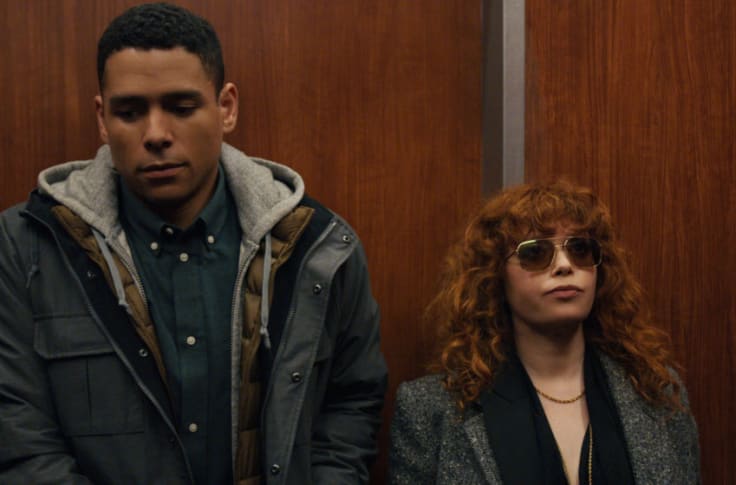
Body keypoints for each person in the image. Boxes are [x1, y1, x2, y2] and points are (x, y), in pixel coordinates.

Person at [0, 3, 386, 484]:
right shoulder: (28, 247)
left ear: (226, 108)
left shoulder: (315, 247)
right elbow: (19, 433)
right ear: (102, 118)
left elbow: (351, 403)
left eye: (181, 108)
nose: (156, 134)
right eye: (129, 112)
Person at [388, 181, 700, 484]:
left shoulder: (657, 393)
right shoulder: (431, 409)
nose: (564, 265)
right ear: (495, 275)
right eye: (535, 252)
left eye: (579, 249)